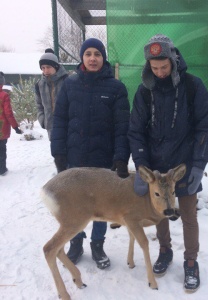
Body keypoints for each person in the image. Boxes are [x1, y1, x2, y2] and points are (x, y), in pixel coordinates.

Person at [128, 34, 208, 293]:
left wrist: (198, 164)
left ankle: (191, 261)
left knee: (188, 216)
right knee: (160, 213)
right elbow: (135, 130)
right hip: (155, 168)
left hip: (184, 166)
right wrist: (142, 165)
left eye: (164, 67)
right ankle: (164, 250)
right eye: (154, 68)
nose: (160, 72)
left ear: (174, 60)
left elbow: (205, 127)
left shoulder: (192, 86)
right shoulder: (145, 90)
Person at [51, 38, 131, 269]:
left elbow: (121, 126)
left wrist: (120, 157)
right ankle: (76, 242)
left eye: (97, 54)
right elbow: (60, 121)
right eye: (88, 54)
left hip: (102, 161)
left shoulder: (116, 88)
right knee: (73, 204)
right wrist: (59, 154)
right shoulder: (70, 85)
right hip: (74, 159)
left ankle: (98, 244)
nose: (93, 58)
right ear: (82, 58)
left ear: (103, 57)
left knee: (101, 205)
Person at [35, 48, 68, 140]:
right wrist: (42, 120)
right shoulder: (40, 85)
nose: (45, 70)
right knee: (56, 153)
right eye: (43, 68)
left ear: (56, 67)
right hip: (51, 128)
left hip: (68, 127)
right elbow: (39, 105)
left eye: (48, 67)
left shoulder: (67, 81)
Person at [0, 72, 22, 176]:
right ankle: (2, 169)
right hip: (2, 128)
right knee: (1, 149)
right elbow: (8, 113)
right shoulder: (4, 95)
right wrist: (16, 127)